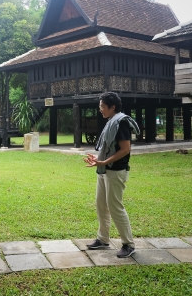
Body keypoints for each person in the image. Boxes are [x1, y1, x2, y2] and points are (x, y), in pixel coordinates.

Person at [83, 92, 140, 258]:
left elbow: (125, 149)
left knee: (115, 206)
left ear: (112, 107)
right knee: (101, 204)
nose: (100, 109)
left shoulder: (121, 123)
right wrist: (99, 158)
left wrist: (104, 161)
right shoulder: (110, 122)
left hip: (116, 171)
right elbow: (109, 148)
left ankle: (128, 244)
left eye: (102, 106)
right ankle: (103, 239)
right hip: (104, 170)